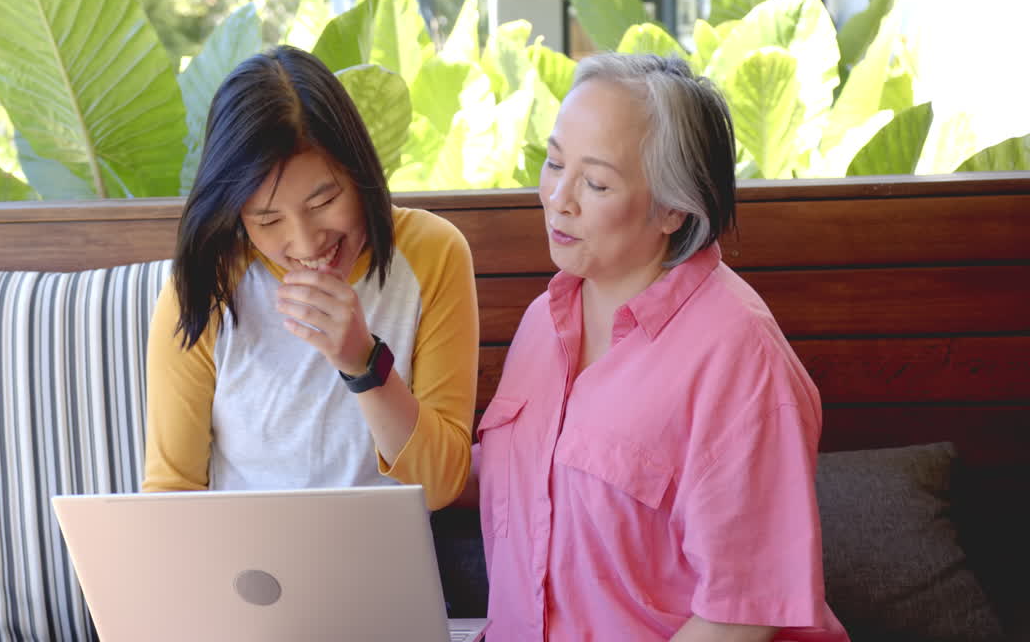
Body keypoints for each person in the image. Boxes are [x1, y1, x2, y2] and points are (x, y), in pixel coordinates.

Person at [473, 53, 850, 641]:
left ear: (673, 207)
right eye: (553, 163)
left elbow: (740, 615)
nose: (558, 197)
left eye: (595, 183)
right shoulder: (542, 322)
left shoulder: (739, 355)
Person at [142, 45, 478, 512]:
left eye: (323, 202)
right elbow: (170, 491)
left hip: (383, 569)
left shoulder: (431, 252)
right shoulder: (210, 281)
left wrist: (364, 363)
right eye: (267, 219)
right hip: (244, 572)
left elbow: (442, 485)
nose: (304, 244)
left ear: (359, 174)